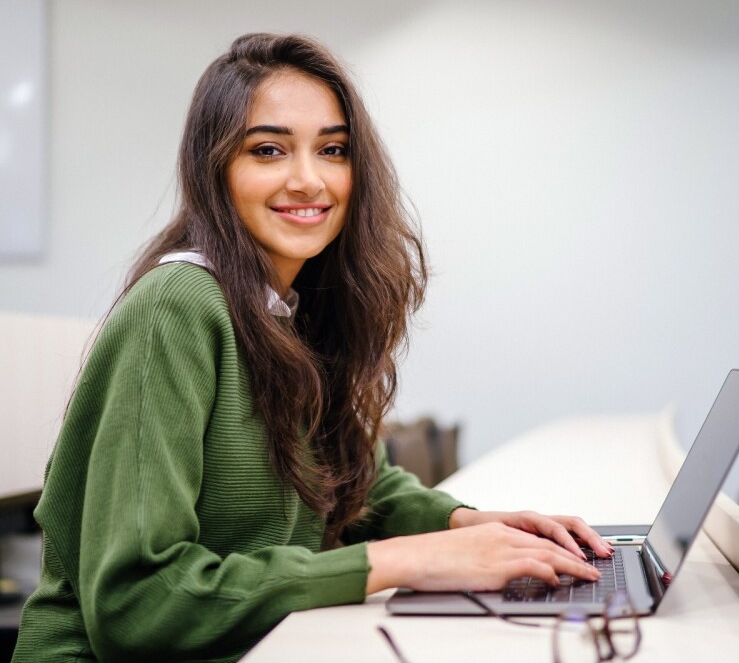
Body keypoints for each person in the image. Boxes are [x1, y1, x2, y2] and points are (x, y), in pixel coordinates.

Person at [12, 33, 611, 662]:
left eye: (332, 150)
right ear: (215, 170)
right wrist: (406, 560)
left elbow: (354, 481)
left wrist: (468, 525)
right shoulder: (179, 307)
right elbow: (139, 603)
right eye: (268, 150)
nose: (309, 180)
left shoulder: (289, 306)